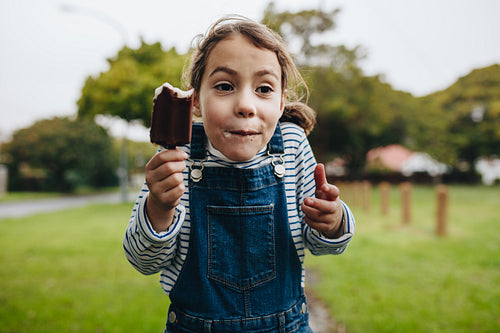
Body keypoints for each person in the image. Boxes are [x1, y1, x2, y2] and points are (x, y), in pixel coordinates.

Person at [124, 16, 355, 333]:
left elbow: (325, 245)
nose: (246, 105)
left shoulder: (292, 145)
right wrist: (159, 207)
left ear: (281, 100)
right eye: (224, 86)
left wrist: (333, 221)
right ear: (195, 101)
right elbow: (143, 261)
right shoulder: (176, 156)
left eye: (263, 88)